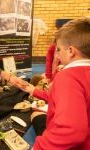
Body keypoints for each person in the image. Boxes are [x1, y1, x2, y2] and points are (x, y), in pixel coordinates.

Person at [18, 18, 90, 149]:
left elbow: (73, 131)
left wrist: (39, 147)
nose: (56, 54)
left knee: (36, 115)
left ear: (70, 51)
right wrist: (33, 90)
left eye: (58, 49)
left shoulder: (67, 76)